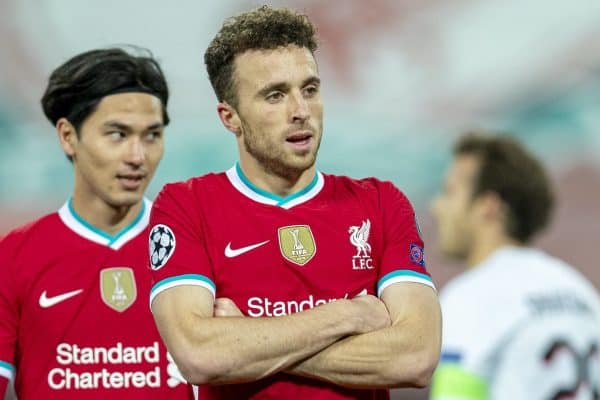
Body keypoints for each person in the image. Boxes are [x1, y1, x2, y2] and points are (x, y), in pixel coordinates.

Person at [148, 5, 441, 400]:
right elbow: (200, 356)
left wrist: (246, 340)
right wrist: (348, 315)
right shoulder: (186, 206)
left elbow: (415, 358)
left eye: (310, 89)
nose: (301, 111)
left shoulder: (381, 203)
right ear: (229, 117)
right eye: (275, 95)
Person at [0, 47, 189, 399]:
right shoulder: (13, 257)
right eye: (117, 134)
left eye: (152, 135)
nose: (138, 156)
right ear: (68, 136)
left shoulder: (194, 245)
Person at [429, 132, 600, 399]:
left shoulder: (472, 295)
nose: (436, 206)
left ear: (488, 206)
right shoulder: (582, 292)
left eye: (449, 192)